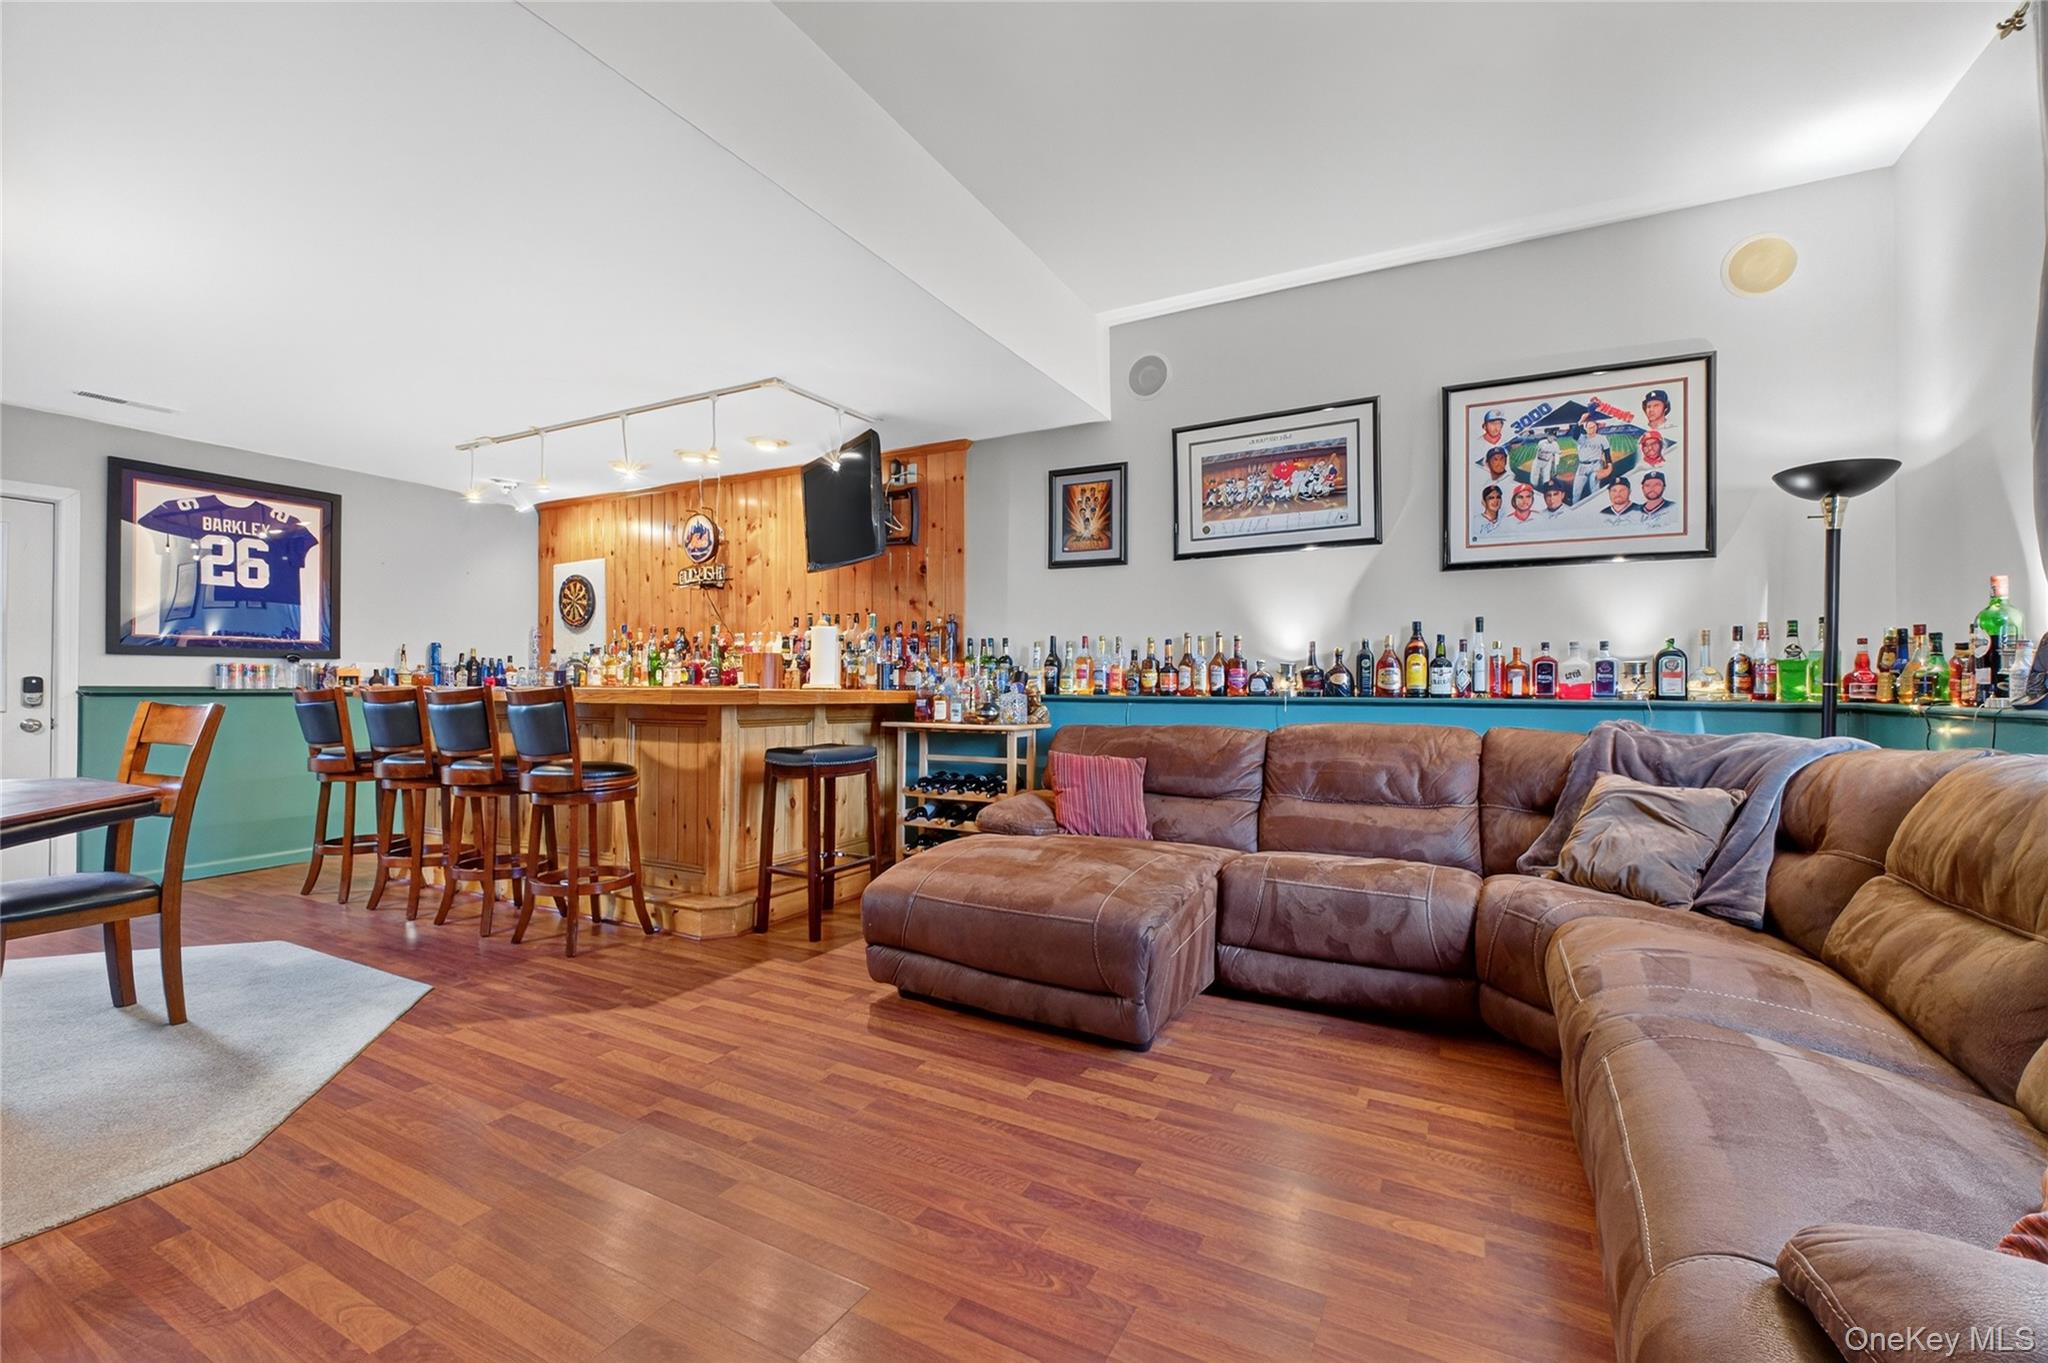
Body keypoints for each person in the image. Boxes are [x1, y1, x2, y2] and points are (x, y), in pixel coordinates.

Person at [1571, 410, 1614, 503]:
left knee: (1595, 490)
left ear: (1596, 427)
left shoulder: (1602, 438)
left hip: (1596, 465)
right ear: (1585, 428)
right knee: (1576, 492)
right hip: (1582, 467)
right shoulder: (1581, 438)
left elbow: (1607, 453)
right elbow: (1574, 435)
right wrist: (1581, 421)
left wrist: (1609, 465)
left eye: (1593, 426)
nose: (1592, 429)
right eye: (1589, 427)